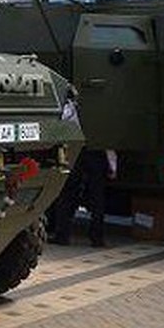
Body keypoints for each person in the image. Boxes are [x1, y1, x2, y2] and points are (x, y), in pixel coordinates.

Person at [49, 87, 117, 247]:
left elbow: (63, 126)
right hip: (97, 151)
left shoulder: (69, 107)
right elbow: (109, 140)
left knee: (67, 193)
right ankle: (97, 237)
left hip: (75, 150)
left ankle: (62, 234)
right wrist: (113, 166)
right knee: (97, 196)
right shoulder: (103, 109)